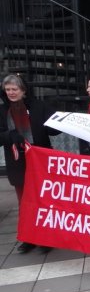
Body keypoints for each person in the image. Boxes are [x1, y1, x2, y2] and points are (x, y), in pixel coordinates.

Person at [0, 74, 60, 253]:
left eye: (14, 89)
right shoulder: (3, 111)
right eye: (8, 89)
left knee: (43, 201)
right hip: (18, 163)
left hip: (40, 163)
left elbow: (52, 129)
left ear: (23, 91)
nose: (11, 92)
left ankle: (46, 238)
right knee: (25, 204)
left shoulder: (39, 107)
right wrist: (9, 135)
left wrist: (58, 125)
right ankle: (29, 238)